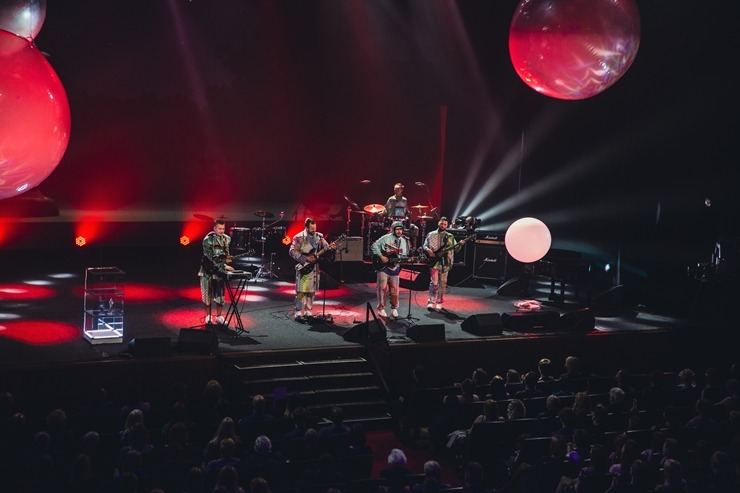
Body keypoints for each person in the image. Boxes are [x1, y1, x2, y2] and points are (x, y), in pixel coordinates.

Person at [288, 218, 335, 320]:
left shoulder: (319, 237)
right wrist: (305, 258)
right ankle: (298, 311)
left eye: (315, 228)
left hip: (314, 267)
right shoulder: (299, 237)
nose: (314, 230)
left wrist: (332, 247)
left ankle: (308, 310)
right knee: (301, 290)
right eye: (312, 229)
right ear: (306, 227)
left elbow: (327, 247)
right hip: (304, 266)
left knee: (312, 291)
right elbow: (292, 251)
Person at [371, 220, 411, 318]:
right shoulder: (385, 238)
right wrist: (381, 256)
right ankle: (381, 308)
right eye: (397, 229)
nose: (399, 232)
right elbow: (374, 246)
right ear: (393, 230)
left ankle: (394, 308)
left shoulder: (403, 241)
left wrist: (406, 259)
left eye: (401, 230)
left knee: (395, 290)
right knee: (382, 289)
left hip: (395, 268)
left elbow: (403, 255)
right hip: (383, 268)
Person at [199, 219, 235, 325]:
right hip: (208, 270)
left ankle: (219, 317)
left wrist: (228, 261)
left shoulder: (227, 239)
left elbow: (227, 255)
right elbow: (211, 258)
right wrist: (224, 265)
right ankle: (208, 316)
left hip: (220, 271)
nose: (221, 231)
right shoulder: (208, 240)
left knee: (220, 294)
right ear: (214, 228)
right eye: (219, 228)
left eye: (223, 229)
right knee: (208, 294)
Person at [422, 216, 459, 311]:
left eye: (445, 224)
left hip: (445, 262)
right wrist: (428, 250)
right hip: (434, 262)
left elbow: (456, 248)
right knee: (434, 282)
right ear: (438, 223)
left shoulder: (450, 236)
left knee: (442, 283)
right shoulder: (431, 234)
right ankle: (431, 301)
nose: (443, 225)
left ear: (447, 225)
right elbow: (425, 245)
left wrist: (460, 244)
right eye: (441, 223)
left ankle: (439, 302)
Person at [383, 182, 419, 247]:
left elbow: (406, 211)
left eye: (397, 189)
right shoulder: (391, 199)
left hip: (402, 221)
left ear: (401, 190)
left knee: (415, 228)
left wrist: (409, 214)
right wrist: (381, 212)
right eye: (395, 189)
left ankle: (413, 249)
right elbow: (385, 209)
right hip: (392, 220)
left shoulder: (404, 200)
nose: (395, 191)